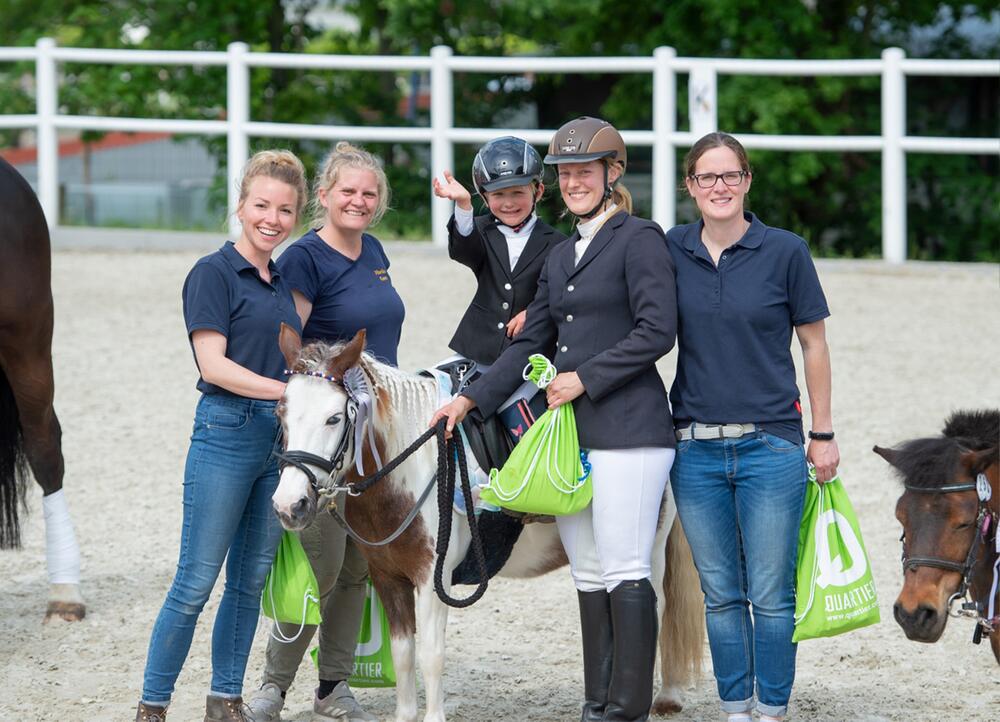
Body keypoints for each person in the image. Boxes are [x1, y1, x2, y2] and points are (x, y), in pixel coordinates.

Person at [431, 117, 677, 722]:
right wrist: (471, 399)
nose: (574, 182)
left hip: (628, 428)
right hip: (571, 432)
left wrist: (587, 376)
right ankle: (597, 704)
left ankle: (628, 708)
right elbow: (531, 339)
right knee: (588, 571)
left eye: (584, 172)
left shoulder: (639, 237)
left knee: (624, 564)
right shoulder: (563, 252)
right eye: (566, 173)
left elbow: (657, 330)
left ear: (611, 173)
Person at [665, 131, 840, 722]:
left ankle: (772, 710)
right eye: (707, 177)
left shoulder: (785, 251)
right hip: (694, 449)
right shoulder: (672, 248)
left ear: (746, 182)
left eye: (730, 176)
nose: (720, 187)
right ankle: (735, 708)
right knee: (719, 595)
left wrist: (823, 433)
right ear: (690, 187)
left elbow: (814, 346)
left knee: (771, 594)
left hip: (771, 445)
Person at [136, 149, 308, 722]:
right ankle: (153, 705)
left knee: (248, 582)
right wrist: (284, 392)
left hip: (276, 443)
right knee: (195, 580)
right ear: (241, 207)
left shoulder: (281, 281)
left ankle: (225, 699)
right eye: (262, 205)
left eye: (285, 209)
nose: (272, 218)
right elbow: (212, 365)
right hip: (226, 430)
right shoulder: (212, 272)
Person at [246, 141, 403, 722]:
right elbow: (290, 348)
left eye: (369, 193)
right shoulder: (306, 258)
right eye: (348, 192)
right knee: (319, 563)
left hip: (371, 438)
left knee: (360, 566)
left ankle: (332, 686)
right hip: (325, 433)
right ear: (323, 196)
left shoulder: (375, 250)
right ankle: (273, 686)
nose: (359, 201)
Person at [432, 136, 565, 367]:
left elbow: (561, 293)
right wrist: (464, 206)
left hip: (529, 354)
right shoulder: (481, 231)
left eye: (517, 193)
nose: (508, 203)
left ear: (539, 191)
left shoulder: (558, 243)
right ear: (484, 196)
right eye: (498, 195)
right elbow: (463, 251)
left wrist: (532, 313)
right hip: (477, 347)